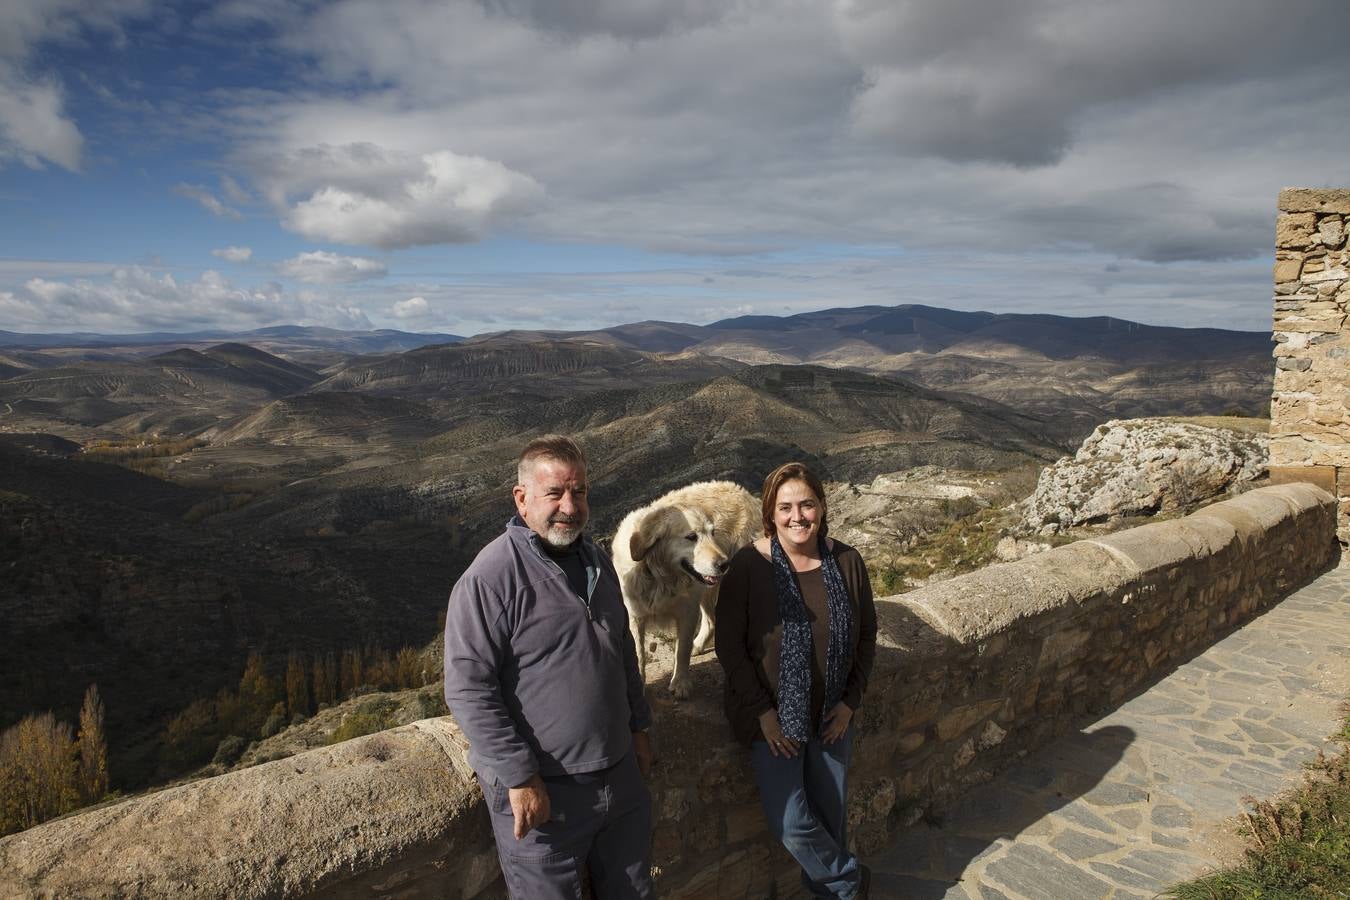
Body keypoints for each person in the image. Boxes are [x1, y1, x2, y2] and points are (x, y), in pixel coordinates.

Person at [444, 435, 655, 899]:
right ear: (522, 499)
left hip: (619, 780)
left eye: (578, 492)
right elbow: (468, 688)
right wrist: (518, 776)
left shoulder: (597, 560)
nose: (569, 506)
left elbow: (621, 651)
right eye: (554, 493)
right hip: (546, 798)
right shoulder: (490, 579)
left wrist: (638, 727)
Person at [715, 462, 878, 899]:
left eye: (807, 504)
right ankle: (849, 882)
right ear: (770, 514)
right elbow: (728, 647)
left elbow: (865, 635)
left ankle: (831, 894)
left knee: (830, 817)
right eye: (785, 507)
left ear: (822, 507)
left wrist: (850, 702)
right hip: (773, 719)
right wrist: (763, 714)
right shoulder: (748, 567)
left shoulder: (846, 561)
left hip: (831, 716)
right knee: (791, 820)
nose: (797, 516)